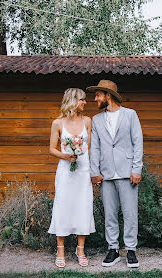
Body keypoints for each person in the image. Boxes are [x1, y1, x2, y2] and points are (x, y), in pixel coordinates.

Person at [86, 80, 143, 268]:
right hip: (106, 173)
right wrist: (94, 171)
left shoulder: (130, 115)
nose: (95, 99)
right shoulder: (96, 120)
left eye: (98, 95)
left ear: (107, 96)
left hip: (127, 172)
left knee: (129, 213)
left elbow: (138, 142)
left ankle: (131, 250)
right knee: (110, 214)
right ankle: (113, 249)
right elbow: (94, 147)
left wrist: (136, 169)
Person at [48, 88, 95, 268]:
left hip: (83, 170)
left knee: (83, 205)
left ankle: (80, 249)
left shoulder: (87, 121)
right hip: (65, 171)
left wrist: (92, 171)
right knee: (63, 205)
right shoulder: (57, 123)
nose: (85, 103)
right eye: (82, 100)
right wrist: (66, 156)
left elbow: (89, 148)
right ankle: (60, 250)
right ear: (73, 101)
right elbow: (52, 149)